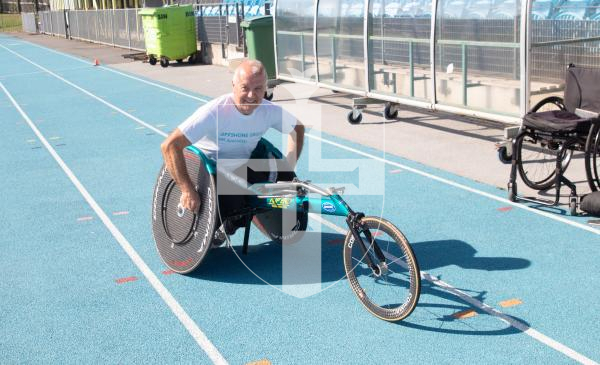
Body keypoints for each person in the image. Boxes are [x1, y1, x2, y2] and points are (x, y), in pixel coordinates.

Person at [160, 60, 305, 243]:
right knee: (237, 195)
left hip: (241, 168)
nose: (251, 95)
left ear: (265, 88)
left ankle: (229, 225)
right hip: (208, 171)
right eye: (245, 88)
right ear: (233, 86)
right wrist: (186, 189)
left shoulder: (268, 111)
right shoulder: (215, 112)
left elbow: (297, 128)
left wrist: (289, 166)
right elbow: (169, 146)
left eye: (258, 89)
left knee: (285, 182)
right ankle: (223, 224)